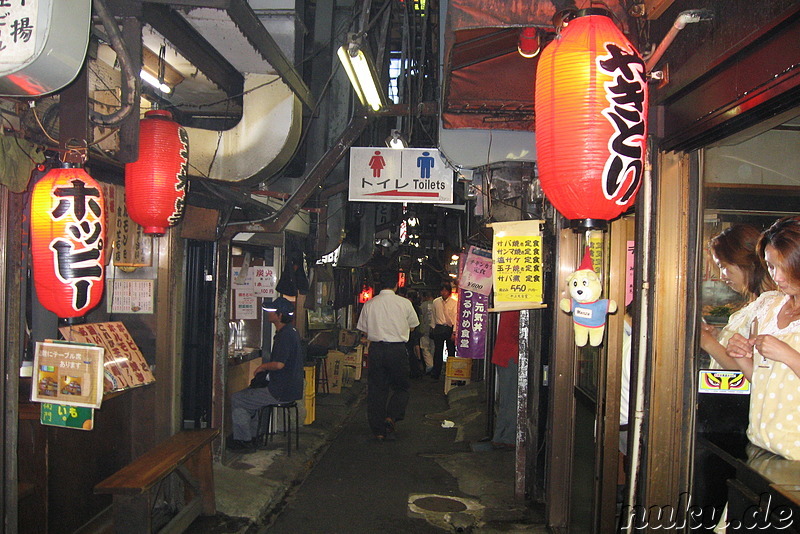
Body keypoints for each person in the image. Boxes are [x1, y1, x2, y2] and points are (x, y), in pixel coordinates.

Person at [725, 216, 800, 460]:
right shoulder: (768, 305)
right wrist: (743, 357)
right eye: (770, 266)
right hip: (760, 444)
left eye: (784, 267)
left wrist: (788, 355)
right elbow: (760, 380)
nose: (777, 277)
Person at [228, 297, 305, 451]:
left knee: (238, 399)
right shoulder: (292, 332)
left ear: (280, 315)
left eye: (272, 311)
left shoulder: (285, 336)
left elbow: (279, 364)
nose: (269, 313)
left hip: (280, 390)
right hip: (291, 388)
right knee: (249, 400)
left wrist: (262, 367)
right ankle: (253, 436)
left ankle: (244, 441)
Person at [700, 224, 776, 369]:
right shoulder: (755, 304)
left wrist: (706, 341)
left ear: (744, 262)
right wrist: (719, 338)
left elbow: (755, 370)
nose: (722, 276)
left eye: (723, 266)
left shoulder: (769, 304)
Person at [357, 270, 420, 441]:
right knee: (401, 387)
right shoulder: (405, 303)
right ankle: (391, 416)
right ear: (396, 284)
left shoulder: (370, 304)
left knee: (377, 390)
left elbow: (363, 329)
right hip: (397, 350)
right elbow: (414, 326)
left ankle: (378, 431)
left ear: (379, 285)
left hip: (376, 350)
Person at [491, 311, 520, 450]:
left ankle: (499, 436)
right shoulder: (518, 307)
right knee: (512, 399)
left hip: (503, 355)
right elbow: (518, 333)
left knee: (505, 399)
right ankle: (509, 437)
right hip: (511, 356)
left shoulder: (508, 305)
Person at [430, 282, 457, 380]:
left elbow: (455, 318)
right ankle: (436, 372)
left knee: (451, 351)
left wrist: (454, 332)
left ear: (449, 292)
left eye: (446, 290)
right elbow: (433, 315)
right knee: (438, 351)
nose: (444, 292)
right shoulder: (436, 302)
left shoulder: (454, 303)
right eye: (442, 290)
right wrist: (432, 327)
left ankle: (450, 372)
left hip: (449, 328)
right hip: (439, 327)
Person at [418, 291, 435, 374]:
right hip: (434, 330)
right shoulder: (437, 304)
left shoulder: (422, 306)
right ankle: (433, 364)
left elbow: (420, 319)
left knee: (425, 348)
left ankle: (429, 365)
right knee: (433, 347)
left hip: (424, 330)